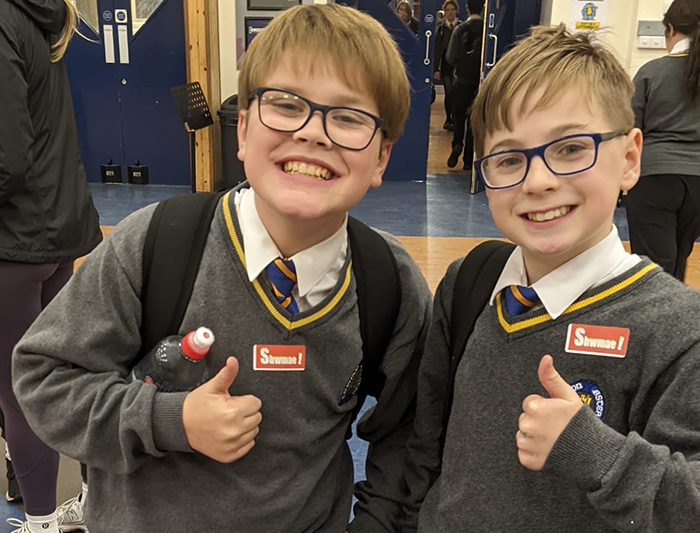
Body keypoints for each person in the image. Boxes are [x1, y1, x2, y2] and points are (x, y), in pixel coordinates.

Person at [12, 4, 432, 532]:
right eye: (286, 105)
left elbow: (410, 431)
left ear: (382, 158)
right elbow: (45, 379)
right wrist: (169, 420)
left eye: (348, 117)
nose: (313, 133)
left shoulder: (389, 283)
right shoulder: (154, 244)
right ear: (244, 130)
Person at [402, 23, 700, 532]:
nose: (538, 181)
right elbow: (427, 438)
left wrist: (596, 454)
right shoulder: (470, 283)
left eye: (570, 148)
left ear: (630, 159)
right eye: (508, 158)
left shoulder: (679, 330)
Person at [0, 0, 102, 532]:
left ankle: (39, 524)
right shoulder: (39, 14)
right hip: (55, 229)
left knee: (20, 392)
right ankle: (90, 504)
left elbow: (6, 158)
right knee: (63, 377)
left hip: (14, 243)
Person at [626, 0, 700, 282]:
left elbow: (629, 129)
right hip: (698, 180)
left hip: (655, 177)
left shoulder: (652, 72)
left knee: (653, 266)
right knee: (680, 256)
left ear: (670, 29)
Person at [445, 0, 483, 170]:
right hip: (478, 83)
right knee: (473, 121)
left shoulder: (459, 29)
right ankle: (468, 160)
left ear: (467, 8)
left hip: (461, 80)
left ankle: (457, 144)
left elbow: (450, 56)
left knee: (458, 116)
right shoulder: (485, 31)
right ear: (483, 8)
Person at [433, 0, 460, 131]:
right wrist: (436, 69)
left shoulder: (460, 27)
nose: (450, 13)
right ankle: (449, 118)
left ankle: (456, 118)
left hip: (458, 64)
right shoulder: (441, 29)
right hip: (445, 63)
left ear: (456, 11)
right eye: (447, 10)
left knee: (456, 93)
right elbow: (437, 49)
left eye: (452, 10)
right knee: (448, 92)